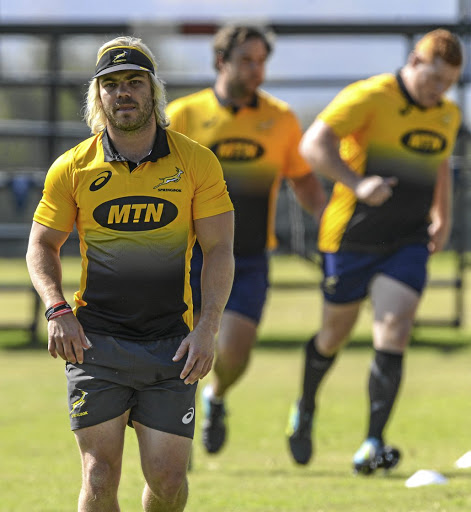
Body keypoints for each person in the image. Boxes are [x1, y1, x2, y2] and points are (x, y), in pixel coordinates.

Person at [26, 35, 234, 512]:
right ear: (97, 97)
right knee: (99, 477)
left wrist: (208, 328)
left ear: (153, 91)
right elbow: (41, 244)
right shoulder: (73, 167)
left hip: (172, 345)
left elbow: (219, 249)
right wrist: (57, 309)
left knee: (166, 480)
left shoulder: (196, 161)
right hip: (95, 342)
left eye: (133, 82)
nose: (123, 93)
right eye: (111, 84)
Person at [286, 28, 463, 474]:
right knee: (333, 337)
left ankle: (372, 441)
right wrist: (357, 183)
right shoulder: (370, 96)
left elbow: (440, 163)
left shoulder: (447, 114)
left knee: (394, 327)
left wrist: (443, 216)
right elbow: (312, 145)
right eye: (434, 80)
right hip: (351, 239)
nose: (439, 91)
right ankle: (305, 405)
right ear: (416, 63)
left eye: (449, 83)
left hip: (406, 242)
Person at [166, 24, 326, 455]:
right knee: (176, 350)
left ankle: (215, 397)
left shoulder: (282, 118)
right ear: (221, 61)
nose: (257, 70)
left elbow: (304, 180)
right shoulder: (183, 115)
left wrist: (330, 221)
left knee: (234, 352)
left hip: (248, 257)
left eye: (262, 61)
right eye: (247, 61)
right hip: (184, 257)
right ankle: (175, 434)